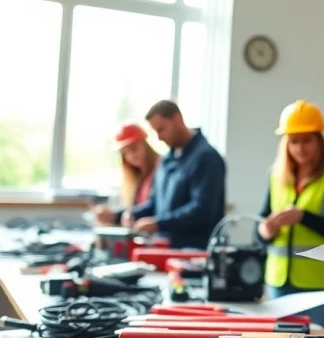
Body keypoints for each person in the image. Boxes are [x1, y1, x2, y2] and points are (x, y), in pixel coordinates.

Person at [256, 100, 324, 334]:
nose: (300, 148)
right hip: (279, 282)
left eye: (307, 140)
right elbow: (260, 223)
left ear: (320, 140)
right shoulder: (275, 176)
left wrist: (303, 217)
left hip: (322, 286)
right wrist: (264, 232)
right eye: (294, 141)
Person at [95, 100, 226, 249]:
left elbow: (202, 208)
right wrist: (124, 214)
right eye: (155, 132)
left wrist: (158, 224)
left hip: (195, 250)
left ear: (177, 119)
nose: (159, 137)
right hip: (165, 247)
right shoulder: (166, 161)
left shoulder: (206, 157)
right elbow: (154, 203)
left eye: (161, 129)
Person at [112, 123, 159, 210]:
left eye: (134, 149)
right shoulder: (138, 177)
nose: (131, 156)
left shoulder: (162, 170)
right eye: (125, 153)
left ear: (146, 146)